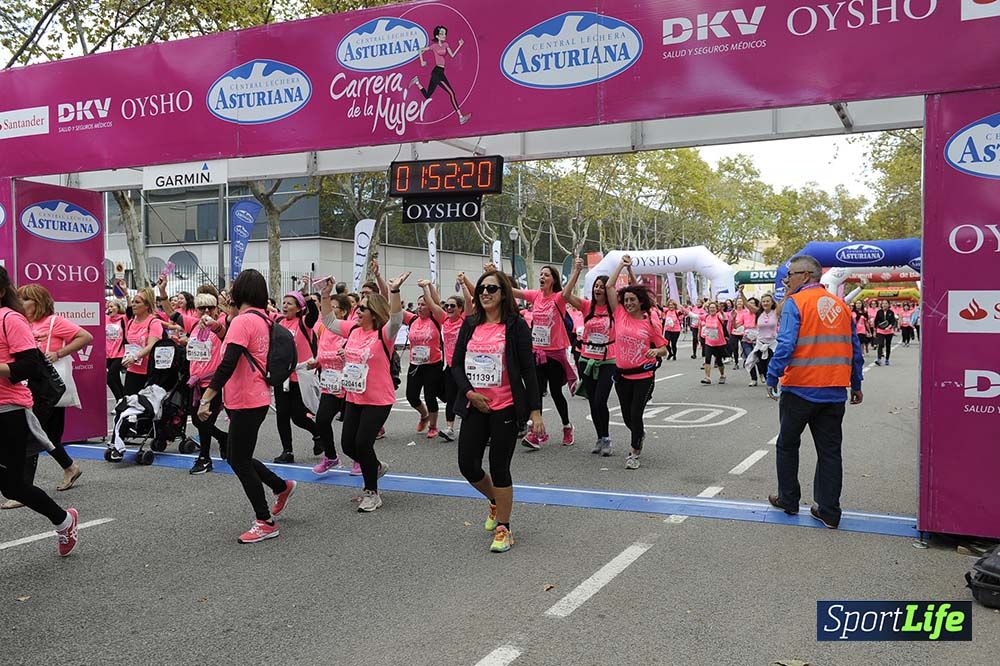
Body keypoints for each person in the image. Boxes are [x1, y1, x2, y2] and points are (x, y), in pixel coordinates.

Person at [765, 255, 864, 530]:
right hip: (833, 391)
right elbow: (854, 349)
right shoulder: (841, 306)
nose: (787, 281)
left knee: (787, 445)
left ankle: (789, 499)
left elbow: (785, 345)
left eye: (791, 275)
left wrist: (772, 376)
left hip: (800, 389)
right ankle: (829, 511)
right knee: (830, 452)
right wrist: (856, 383)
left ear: (806, 276)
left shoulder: (795, 304)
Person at [198, 269, 295, 544]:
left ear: (240, 291)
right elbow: (239, 351)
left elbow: (228, 363)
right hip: (255, 397)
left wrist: (207, 397)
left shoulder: (242, 321)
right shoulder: (261, 319)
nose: (228, 292)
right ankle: (280, 486)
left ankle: (265, 521)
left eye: (232, 288)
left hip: (245, 399)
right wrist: (219, 328)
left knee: (238, 459)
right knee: (236, 455)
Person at [452, 269, 544, 552]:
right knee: (467, 464)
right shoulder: (470, 324)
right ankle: (495, 501)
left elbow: (529, 369)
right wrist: (469, 393)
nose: (485, 293)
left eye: (492, 289)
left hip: (505, 406)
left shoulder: (515, 326)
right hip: (475, 404)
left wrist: (535, 410)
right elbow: (456, 365)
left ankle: (505, 527)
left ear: (504, 293)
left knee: (499, 466)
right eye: (481, 289)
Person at [0, 267, 79, 555]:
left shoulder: (11, 319)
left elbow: (30, 366)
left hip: (9, 409)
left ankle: (64, 520)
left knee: (13, 487)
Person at [322, 271, 409, 513]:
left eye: (362, 308)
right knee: (348, 444)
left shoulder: (384, 334)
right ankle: (376, 466)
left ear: (374, 313)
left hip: (378, 398)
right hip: (354, 395)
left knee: (362, 443)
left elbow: (397, 318)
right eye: (357, 307)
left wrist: (394, 290)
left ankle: (371, 492)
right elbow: (328, 321)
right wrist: (325, 294)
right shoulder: (352, 331)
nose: (357, 311)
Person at [9, 284, 91, 501]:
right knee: (47, 435)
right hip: (31, 386)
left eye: (25, 300)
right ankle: (70, 468)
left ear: (38, 302)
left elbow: (85, 336)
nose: (21, 303)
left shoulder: (54, 321)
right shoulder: (21, 322)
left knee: (32, 434)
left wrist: (59, 352)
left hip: (49, 388)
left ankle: (23, 490)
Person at [605, 257, 668, 470]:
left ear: (640, 302)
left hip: (643, 376)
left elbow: (664, 350)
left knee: (635, 413)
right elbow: (609, 286)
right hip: (622, 375)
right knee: (625, 416)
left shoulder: (650, 322)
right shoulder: (619, 313)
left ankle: (634, 452)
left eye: (633, 299)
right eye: (627, 299)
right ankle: (638, 434)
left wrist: (655, 351)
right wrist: (623, 266)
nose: (629, 303)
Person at [513, 265, 576, 449]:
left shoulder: (558, 298)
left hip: (554, 355)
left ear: (553, 280)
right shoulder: (535, 296)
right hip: (537, 352)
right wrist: (493, 273)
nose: (542, 277)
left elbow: (568, 290)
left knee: (556, 393)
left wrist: (577, 271)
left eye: (546, 275)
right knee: (536, 393)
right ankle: (537, 433)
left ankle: (567, 426)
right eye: (540, 274)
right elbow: (514, 291)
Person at [562, 258, 616, 455]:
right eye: (596, 286)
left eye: (602, 287)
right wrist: (576, 271)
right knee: (593, 401)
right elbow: (566, 294)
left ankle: (607, 438)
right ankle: (600, 437)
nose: (598, 289)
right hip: (586, 358)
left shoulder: (614, 310)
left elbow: (612, 288)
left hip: (607, 360)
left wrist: (621, 267)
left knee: (601, 400)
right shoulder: (586, 306)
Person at [272, 279, 321, 463]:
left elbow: (314, 313)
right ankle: (288, 451)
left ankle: (318, 434)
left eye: (289, 303)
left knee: (299, 417)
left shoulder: (304, 323)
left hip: (300, 376)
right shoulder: (277, 321)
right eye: (283, 302)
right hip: (281, 376)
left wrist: (306, 294)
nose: (285, 306)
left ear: (299, 308)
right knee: (282, 415)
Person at [311, 288, 352, 475]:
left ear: (343, 312)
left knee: (353, 428)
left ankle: (359, 460)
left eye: (335, 307)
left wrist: (347, 354)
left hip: (351, 385)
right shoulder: (323, 329)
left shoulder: (350, 329)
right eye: (329, 306)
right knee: (322, 420)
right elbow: (322, 353)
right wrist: (316, 362)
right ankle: (331, 457)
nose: (330, 310)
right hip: (330, 383)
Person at [187, 293, 229, 475]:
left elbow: (222, 332)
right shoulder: (194, 328)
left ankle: (205, 458)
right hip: (195, 382)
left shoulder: (219, 325)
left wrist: (215, 323)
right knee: (196, 419)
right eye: (201, 308)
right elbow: (172, 314)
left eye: (210, 307)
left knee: (204, 421)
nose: (206, 311)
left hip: (213, 382)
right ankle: (222, 437)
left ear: (216, 309)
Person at [403, 280, 448, 439]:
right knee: (411, 395)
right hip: (415, 364)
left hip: (433, 364)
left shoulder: (436, 319)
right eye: (418, 304)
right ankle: (424, 415)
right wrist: (391, 288)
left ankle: (433, 426)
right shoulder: (412, 319)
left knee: (430, 396)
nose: (420, 307)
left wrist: (426, 287)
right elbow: (393, 308)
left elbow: (435, 302)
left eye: (424, 304)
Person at [434, 274, 474, 442]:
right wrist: (427, 287)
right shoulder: (445, 321)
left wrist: (463, 284)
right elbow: (433, 304)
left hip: (467, 366)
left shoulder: (465, 320)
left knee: (468, 397)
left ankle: (472, 427)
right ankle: (450, 428)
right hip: (451, 366)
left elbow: (469, 301)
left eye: (452, 306)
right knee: (450, 397)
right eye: (447, 305)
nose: (448, 308)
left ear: (460, 309)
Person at [410, 26, 471, 124]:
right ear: (437, 36)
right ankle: (460, 117)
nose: (444, 35)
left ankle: (417, 82)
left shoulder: (446, 44)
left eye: (445, 33)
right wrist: (422, 61)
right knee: (451, 93)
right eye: (442, 33)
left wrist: (459, 45)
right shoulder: (434, 46)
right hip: (437, 72)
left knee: (427, 95)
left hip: (440, 72)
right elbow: (420, 50)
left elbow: (452, 55)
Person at [122, 287, 165, 396]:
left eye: (137, 302)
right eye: (133, 302)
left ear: (146, 306)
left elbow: (152, 345)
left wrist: (135, 357)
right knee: (129, 406)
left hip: (148, 372)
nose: (134, 305)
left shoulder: (153, 322)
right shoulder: (131, 322)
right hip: (132, 370)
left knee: (144, 409)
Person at [748, 294, 779, 386]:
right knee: (762, 367)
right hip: (760, 344)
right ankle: (768, 384)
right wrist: (741, 294)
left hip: (772, 344)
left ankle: (772, 385)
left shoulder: (776, 312)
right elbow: (747, 305)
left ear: (772, 302)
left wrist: (787, 291)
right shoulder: (759, 313)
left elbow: (783, 302)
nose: (765, 303)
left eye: (768, 301)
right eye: (764, 301)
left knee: (771, 366)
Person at [700, 302, 729, 385]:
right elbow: (694, 315)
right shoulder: (706, 317)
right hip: (709, 342)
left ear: (716, 309)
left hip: (719, 343)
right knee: (707, 359)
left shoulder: (719, 316)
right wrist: (682, 308)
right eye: (710, 307)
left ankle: (722, 375)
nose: (712, 309)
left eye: (713, 308)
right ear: (708, 309)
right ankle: (707, 377)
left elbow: (724, 317)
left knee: (719, 361)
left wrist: (722, 312)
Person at [106, 297, 128, 404]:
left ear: (118, 308)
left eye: (112, 306)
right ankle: (124, 400)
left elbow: (130, 310)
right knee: (116, 379)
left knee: (109, 378)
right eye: (108, 306)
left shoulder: (124, 318)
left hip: (120, 353)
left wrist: (126, 295)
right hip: (108, 354)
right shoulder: (105, 319)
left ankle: (119, 401)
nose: (109, 308)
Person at [731, 296, 755, 371]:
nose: (739, 303)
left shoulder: (746, 312)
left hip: (744, 334)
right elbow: (735, 325)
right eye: (738, 302)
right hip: (735, 333)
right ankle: (736, 363)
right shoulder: (734, 311)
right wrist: (734, 318)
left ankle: (746, 360)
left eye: (741, 302)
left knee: (744, 349)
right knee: (735, 348)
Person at [873, 299, 897, 367]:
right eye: (883, 303)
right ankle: (879, 359)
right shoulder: (879, 312)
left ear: (888, 304)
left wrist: (889, 327)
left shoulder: (891, 312)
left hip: (889, 331)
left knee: (888, 345)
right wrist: (875, 330)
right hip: (880, 331)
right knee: (880, 344)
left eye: (886, 303)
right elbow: (876, 321)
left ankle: (887, 359)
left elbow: (893, 321)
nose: (884, 305)